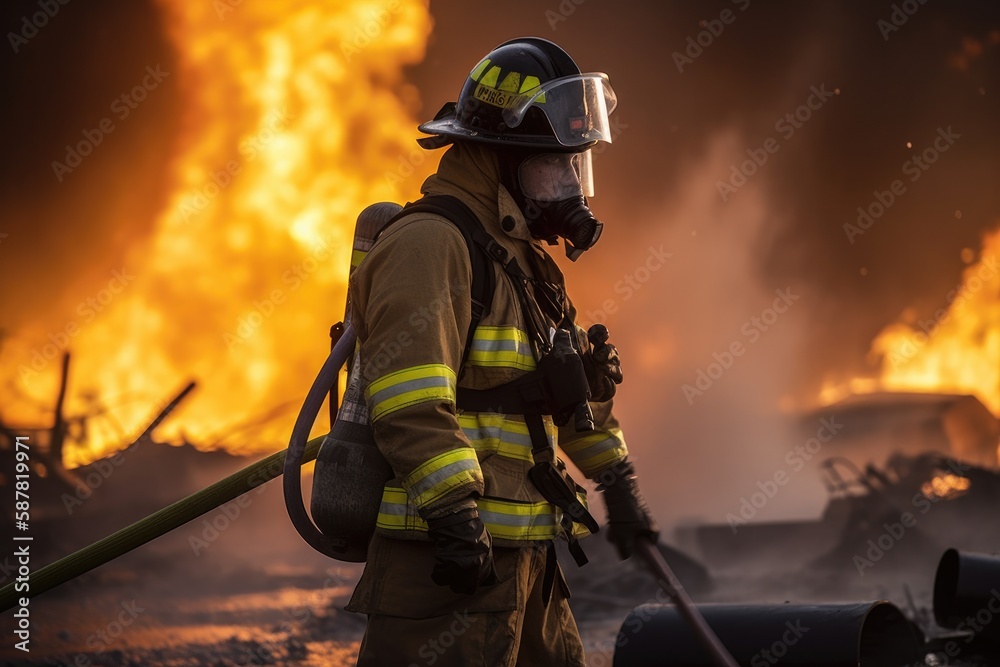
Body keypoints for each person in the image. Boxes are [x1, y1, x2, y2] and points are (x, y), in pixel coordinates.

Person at [345, 37, 657, 666]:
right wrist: (453, 515)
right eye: (558, 166)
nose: (572, 186)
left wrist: (617, 481)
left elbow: (559, 394)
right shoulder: (431, 244)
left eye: (577, 167)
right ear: (503, 157)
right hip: (445, 562)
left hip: (526, 560)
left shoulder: (526, 261)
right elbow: (408, 398)